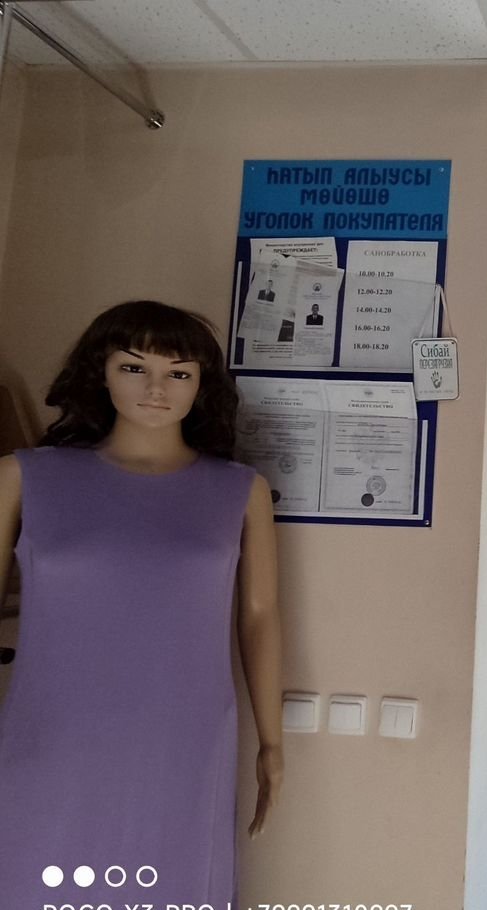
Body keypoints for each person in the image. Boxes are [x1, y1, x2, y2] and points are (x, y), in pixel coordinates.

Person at [0, 300, 284, 908]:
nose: (157, 388)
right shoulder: (23, 478)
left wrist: (272, 741)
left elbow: (259, 616)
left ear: (201, 385)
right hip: (53, 731)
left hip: (184, 738)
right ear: (100, 372)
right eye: (134, 367)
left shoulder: (239, 491)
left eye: (179, 373)